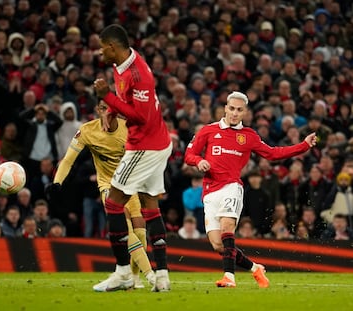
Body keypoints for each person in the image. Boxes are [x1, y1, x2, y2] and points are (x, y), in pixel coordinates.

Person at [184, 91, 317, 288]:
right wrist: (199, 160)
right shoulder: (208, 130)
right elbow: (189, 154)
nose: (235, 113)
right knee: (218, 245)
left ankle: (229, 276)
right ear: (225, 108)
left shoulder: (249, 136)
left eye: (239, 110)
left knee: (227, 227)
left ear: (245, 112)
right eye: (231, 108)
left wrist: (303, 146)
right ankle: (255, 268)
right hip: (210, 191)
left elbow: (273, 153)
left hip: (232, 186)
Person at [92, 24, 172, 292]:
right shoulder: (122, 66)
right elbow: (132, 106)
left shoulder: (138, 74)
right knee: (150, 205)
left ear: (112, 47)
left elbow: (141, 116)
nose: (99, 51)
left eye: (102, 46)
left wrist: (108, 99)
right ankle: (162, 276)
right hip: (158, 142)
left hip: (145, 147)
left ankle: (123, 272)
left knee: (114, 203)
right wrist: (115, 109)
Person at [49, 101, 157, 291]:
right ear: (98, 110)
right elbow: (67, 160)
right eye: (104, 107)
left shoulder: (130, 129)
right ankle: (151, 275)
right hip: (108, 185)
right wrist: (57, 182)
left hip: (129, 185)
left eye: (113, 107)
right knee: (125, 228)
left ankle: (133, 278)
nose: (109, 111)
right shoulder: (87, 131)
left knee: (140, 231)